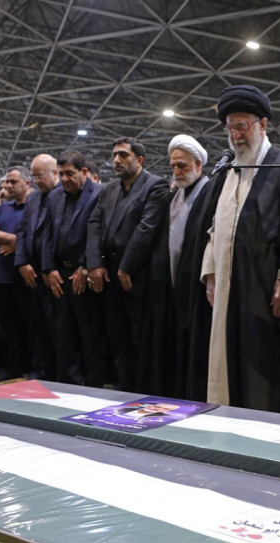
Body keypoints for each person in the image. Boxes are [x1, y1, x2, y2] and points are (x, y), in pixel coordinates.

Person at [194, 84, 280, 412]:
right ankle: (225, 421)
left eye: (242, 126)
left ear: (263, 125)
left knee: (261, 366)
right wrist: (211, 273)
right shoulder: (228, 170)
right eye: (230, 127)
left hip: (264, 289)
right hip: (227, 289)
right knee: (226, 360)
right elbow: (214, 228)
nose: (236, 135)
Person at [87, 137, 170, 391]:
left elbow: (146, 229)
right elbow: (94, 225)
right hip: (109, 275)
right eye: (114, 155)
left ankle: (142, 388)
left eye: (123, 155)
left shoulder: (155, 186)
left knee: (139, 337)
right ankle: (122, 386)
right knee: (115, 334)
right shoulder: (109, 189)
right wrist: (94, 264)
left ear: (139, 160)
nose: (116, 160)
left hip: (138, 275)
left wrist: (126, 266)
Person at [138, 134, 211, 397]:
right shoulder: (175, 194)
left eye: (182, 165)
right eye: (173, 166)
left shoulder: (209, 192)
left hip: (197, 287)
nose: (177, 171)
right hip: (171, 284)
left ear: (198, 165)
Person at [42, 151, 107, 387]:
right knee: (64, 333)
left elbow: (98, 235)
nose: (65, 179)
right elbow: (47, 234)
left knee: (90, 333)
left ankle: (94, 384)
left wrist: (85, 267)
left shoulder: (100, 193)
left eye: (70, 173)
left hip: (85, 274)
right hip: (59, 275)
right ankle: (69, 382)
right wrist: (48, 269)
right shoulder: (54, 196)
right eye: (61, 174)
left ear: (84, 172)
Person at [15, 154, 60, 380]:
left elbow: (57, 237)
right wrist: (21, 262)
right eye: (33, 176)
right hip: (32, 275)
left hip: (55, 275)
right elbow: (23, 231)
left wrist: (47, 267)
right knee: (38, 327)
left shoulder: (63, 196)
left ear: (55, 173)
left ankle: (62, 376)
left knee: (59, 330)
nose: (36, 180)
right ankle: (44, 372)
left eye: (40, 175)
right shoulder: (32, 199)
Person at [0, 165, 34, 382]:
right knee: (10, 327)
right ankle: (14, 366)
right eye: (6, 182)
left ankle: (34, 367)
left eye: (13, 182)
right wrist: (15, 239)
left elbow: (35, 236)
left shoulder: (35, 206)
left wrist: (17, 245)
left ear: (27, 183)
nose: (8, 186)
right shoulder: (3, 208)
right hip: (4, 276)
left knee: (31, 325)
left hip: (27, 277)